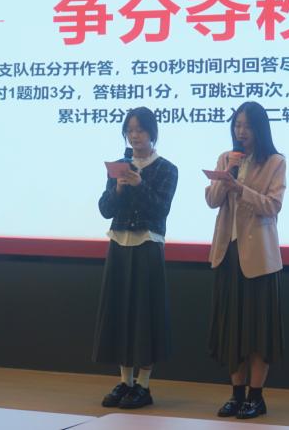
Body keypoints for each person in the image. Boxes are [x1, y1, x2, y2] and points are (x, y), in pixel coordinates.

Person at [93, 107, 179, 410]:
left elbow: (161, 209)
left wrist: (140, 185)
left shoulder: (167, 169)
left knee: (145, 314)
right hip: (119, 243)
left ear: (152, 132)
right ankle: (125, 381)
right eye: (130, 130)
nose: (135, 136)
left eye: (140, 130)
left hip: (147, 245)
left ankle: (143, 384)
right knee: (120, 312)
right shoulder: (119, 167)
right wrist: (118, 187)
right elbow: (105, 209)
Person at [205, 101, 286, 420]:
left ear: (260, 129)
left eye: (248, 126)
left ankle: (256, 396)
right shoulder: (227, 158)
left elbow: (273, 205)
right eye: (237, 125)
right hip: (228, 254)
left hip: (258, 259)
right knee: (232, 330)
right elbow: (212, 201)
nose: (241, 131)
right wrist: (226, 178)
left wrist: (240, 188)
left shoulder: (275, 162)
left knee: (257, 331)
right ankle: (236, 394)